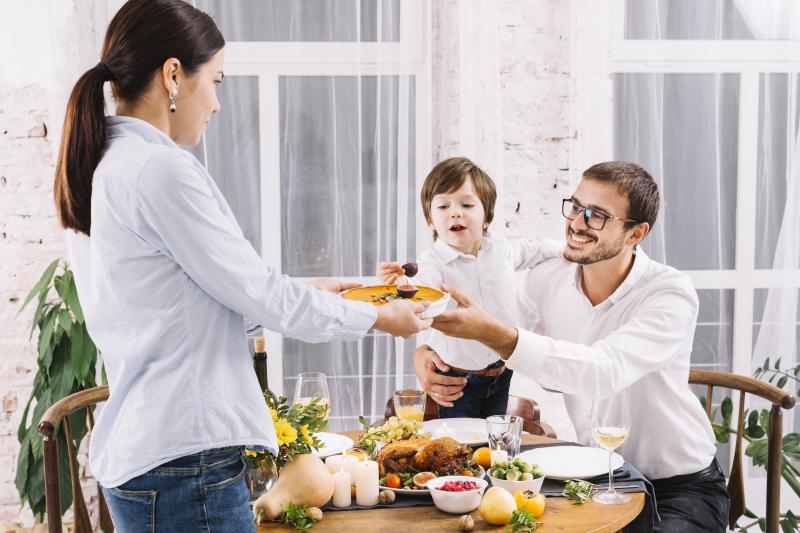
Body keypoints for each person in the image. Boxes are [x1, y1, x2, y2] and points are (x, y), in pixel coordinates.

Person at [53, 1, 430, 531]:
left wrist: (322, 292)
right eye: (216, 81)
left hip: (156, 456)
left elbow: (191, 303)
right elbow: (258, 293)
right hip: (186, 461)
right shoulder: (160, 170)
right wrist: (377, 317)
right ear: (173, 75)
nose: (216, 104)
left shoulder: (106, 164)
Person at [415, 161, 729, 532]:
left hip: (680, 488)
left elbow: (602, 371)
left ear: (635, 233)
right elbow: (496, 334)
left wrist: (495, 335)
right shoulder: (547, 279)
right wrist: (426, 353)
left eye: (597, 215)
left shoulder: (669, 292)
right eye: (576, 206)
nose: (578, 222)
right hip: (592, 477)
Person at [379, 157, 560, 418]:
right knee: (462, 440)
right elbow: (420, 296)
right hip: (457, 380)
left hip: (502, 371)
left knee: (494, 439)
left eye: (467, 204)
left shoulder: (500, 249)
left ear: (486, 217)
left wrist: (566, 251)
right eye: (443, 206)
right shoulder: (432, 263)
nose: (455, 212)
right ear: (430, 220)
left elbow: (535, 249)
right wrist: (401, 286)